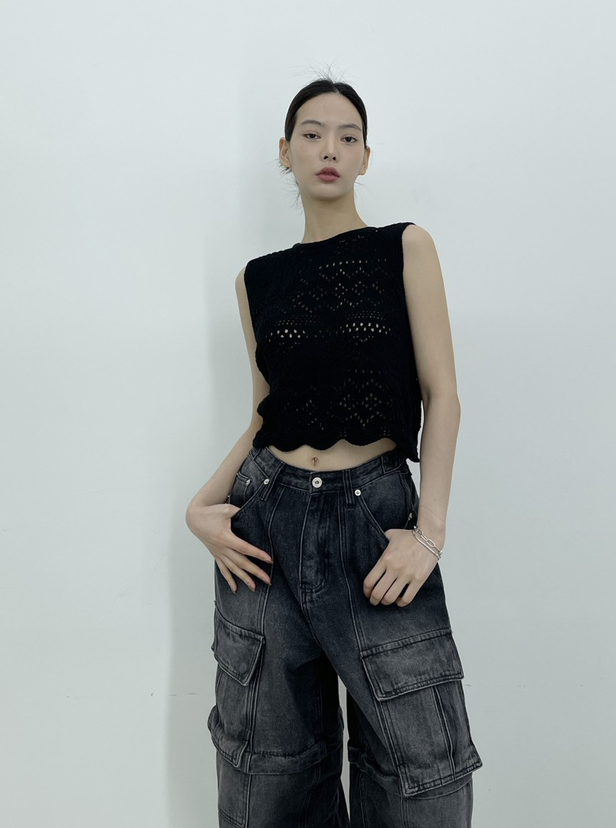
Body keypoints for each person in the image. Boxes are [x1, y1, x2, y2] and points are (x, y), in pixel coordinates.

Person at [185, 76, 483, 827]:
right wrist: (200, 506)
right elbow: (267, 413)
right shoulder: (257, 280)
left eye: (348, 137)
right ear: (285, 152)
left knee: (422, 772)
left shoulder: (404, 247)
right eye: (312, 134)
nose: (330, 149)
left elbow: (443, 394)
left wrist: (430, 533)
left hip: (374, 520)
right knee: (270, 769)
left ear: (366, 157)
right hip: (268, 527)